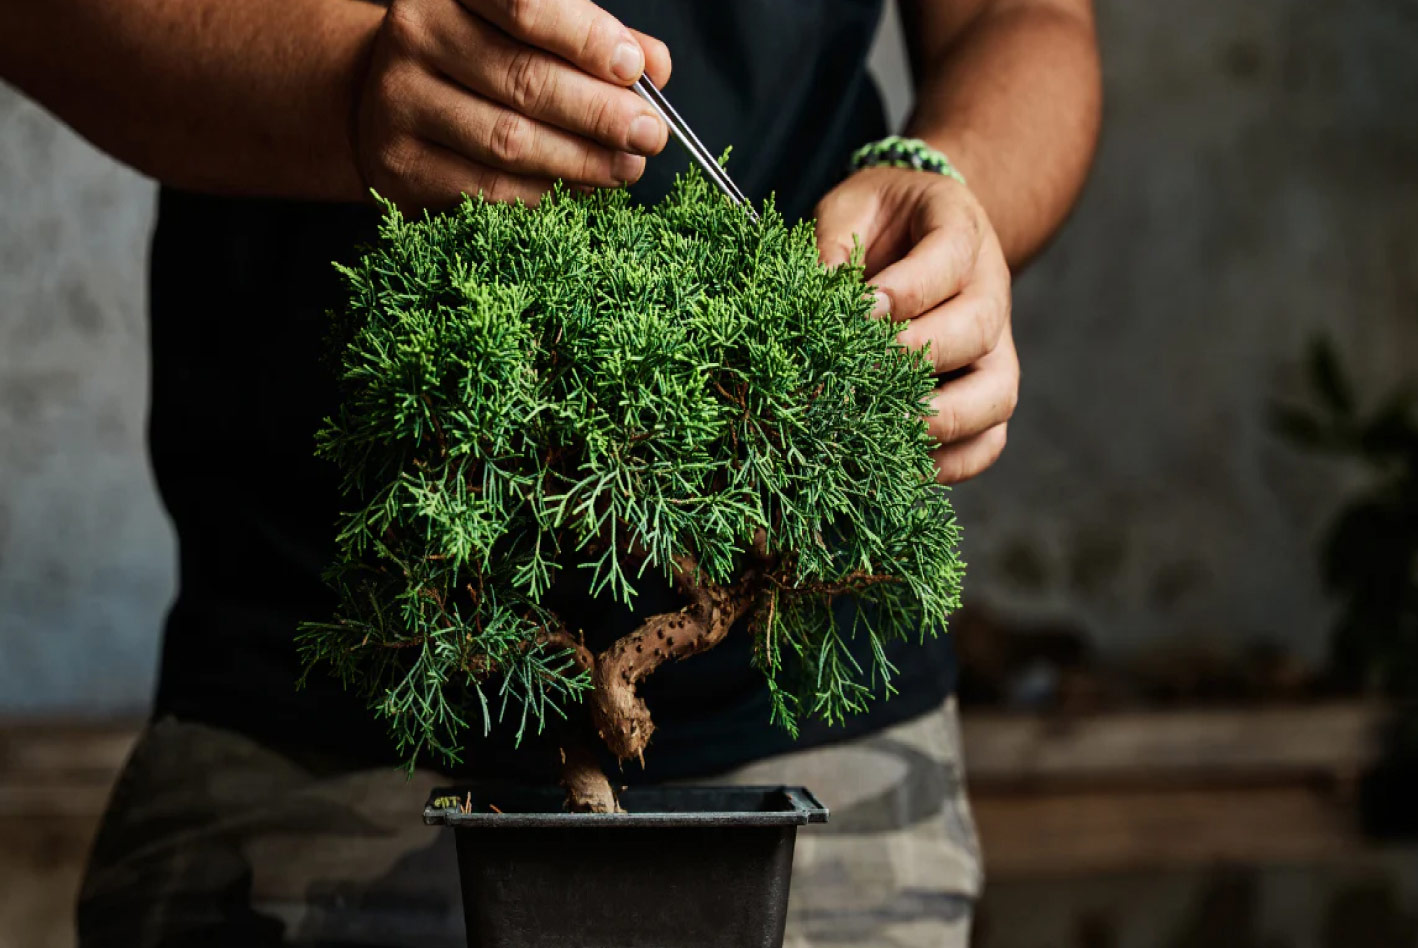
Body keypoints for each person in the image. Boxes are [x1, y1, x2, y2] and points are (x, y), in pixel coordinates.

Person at [2, 0, 1099, 944]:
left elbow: (1026, 17)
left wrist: (951, 181)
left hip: (813, 740)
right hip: (308, 720)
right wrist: (341, 87)